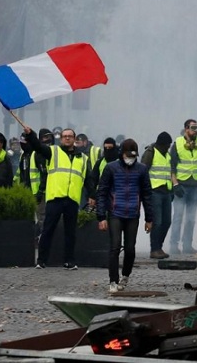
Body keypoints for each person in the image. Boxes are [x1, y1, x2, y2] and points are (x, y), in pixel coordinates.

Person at [97, 139, 154, 294]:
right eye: (128, 155)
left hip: (133, 214)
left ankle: (125, 276)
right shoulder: (111, 168)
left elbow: (147, 194)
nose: (130, 158)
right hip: (115, 213)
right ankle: (113, 281)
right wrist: (101, 216)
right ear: (121, 153)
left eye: (133, 156)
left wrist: (149, 219)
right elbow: (102, 192)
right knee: (115, 247)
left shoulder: (141, 170)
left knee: (130, 249)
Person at [26, 126, 87, 270]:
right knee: (48, 230)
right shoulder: (53, 151)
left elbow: (87, 177)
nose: (67, 138)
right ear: (61, 138)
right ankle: (41, 260)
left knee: (70, 232)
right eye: (64, 136)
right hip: (55, 197)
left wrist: (91, 195)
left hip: (72, 198)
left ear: (74, 139)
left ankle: (69, 261)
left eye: (70, 136)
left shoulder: (82, 158)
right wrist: (31, 135)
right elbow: (38, 147)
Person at [170, 119, 197, 255]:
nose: (195, 131)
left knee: (190, 218)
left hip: (195, 186)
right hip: (181, 186)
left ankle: (187, 245)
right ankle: (174, 245)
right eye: (192, 128)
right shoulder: (177, 144)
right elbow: (171, 167)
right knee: (178, 216)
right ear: (186, 129)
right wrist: (175, 184)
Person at [140, 133, 173, 259]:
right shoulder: (150, 152)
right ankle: (154, 249)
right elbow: (143, 171)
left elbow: (169, 173)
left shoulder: (167, 155)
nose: (168, 148)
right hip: (154, 192)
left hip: (166, 192)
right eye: (167, 145)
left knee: (166, 222)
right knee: (157, 222)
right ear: (161, 144)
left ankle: (159, 246)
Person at [29, 128, 55, 239]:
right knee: (41, 217)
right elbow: (34, 174)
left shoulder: (56, 152)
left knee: (52, 217)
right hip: (41, 192)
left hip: (54, 191)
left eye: (49, 137)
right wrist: (38, 191)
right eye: (44, 137)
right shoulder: (36, 154)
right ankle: (43, 238)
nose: (47, 139)